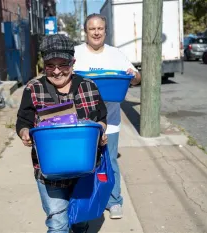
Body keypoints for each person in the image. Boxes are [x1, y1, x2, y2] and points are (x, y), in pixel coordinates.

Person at [16, 34, 108, 233]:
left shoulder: (88, 87)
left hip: (85, 172)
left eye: (63, 64)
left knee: (79, 219)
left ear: (72, 62)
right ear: (44, 65)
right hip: (49, 174)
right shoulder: (34, 89)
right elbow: (23, 121)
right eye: (50, 65)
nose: (57, 71)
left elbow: (101, 118)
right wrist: (25, 133)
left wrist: (100, 130)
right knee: (58, 223)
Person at [74, 13, 141, 219]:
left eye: (100, 28)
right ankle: (82, 199)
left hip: (110, 122)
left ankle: (114, 201)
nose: (96, 32)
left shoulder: (116, 54)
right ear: (85, 31)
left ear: (105, 30)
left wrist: (133, 75)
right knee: (82, 162)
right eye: (92, 29)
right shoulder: (75, 53)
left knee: (110, 160)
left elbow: (137, 78)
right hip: (81, 120)